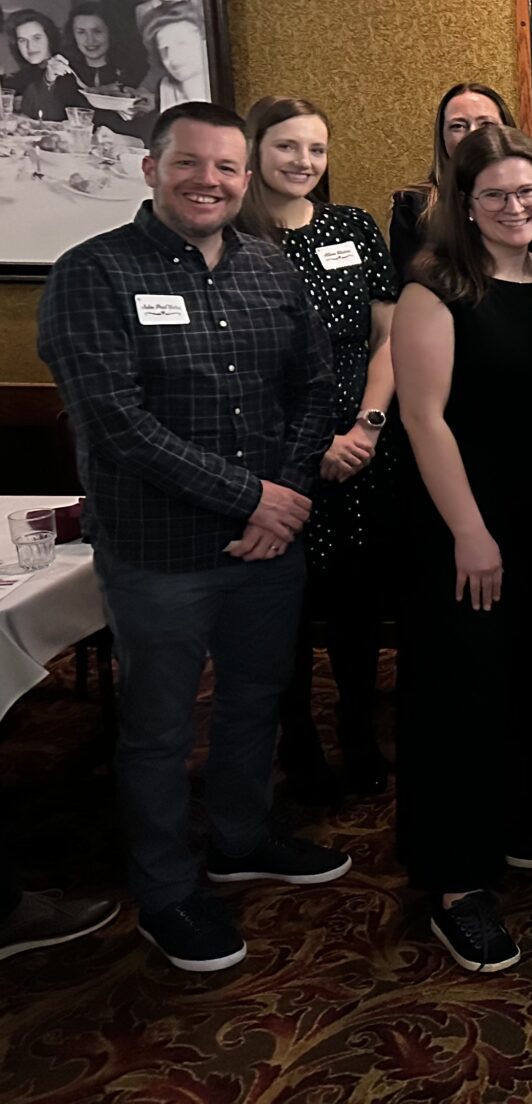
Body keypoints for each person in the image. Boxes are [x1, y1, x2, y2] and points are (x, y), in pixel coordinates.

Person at [37, 101, 349, 974]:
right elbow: (116, 423)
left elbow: (313, 388)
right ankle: (167, 890)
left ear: (245, 179)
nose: (207, 181)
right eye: (189, 164)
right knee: (160, 727)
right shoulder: (92, 274)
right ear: (150, 168)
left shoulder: (269, 268)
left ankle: (242, 837)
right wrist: (255, 498)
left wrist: (282, 498)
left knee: (255, 701)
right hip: (159, 551)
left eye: (225, 168)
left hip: (268, 546)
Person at [392, 126, 532, 973]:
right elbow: (422, 419)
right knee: (459, 694)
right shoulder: (437, 288)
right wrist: (470, 531)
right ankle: (455, 885)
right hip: (457, 523)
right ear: (465, 203)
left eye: (530, 191)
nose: (518, 206)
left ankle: (512, 825)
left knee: (528, 676)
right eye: (498, 194)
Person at [238, 98, 400, 805]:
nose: (304, 162)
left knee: (359, 610)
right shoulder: (234, 239)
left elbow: (390, 336)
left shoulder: (352, 227)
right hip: (274, 455)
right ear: (254, 151)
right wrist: (306, 448)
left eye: (316, 149)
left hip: (361, 446)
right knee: (287, 616)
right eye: (287, 147)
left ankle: (360, 732)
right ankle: (298, 745)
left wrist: (366, 426)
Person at [389, 83, 515, 282]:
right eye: (458, 126)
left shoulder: (531, 198)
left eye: (486, 124)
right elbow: (409, 285)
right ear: (442, 137)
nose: (472, 134)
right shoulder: (412, 205)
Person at [3, 9, 89, 120]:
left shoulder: (67, 69)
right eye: (22, 40)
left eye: (37, 38)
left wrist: (48, 80)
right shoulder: (25, 74)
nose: (30, 47)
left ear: (49, 37)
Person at [66, 2, 138, 98]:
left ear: (111, 32)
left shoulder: (133, 72)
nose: (90, 40)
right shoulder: (67, 73)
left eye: (97, 31)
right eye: (81, 32)